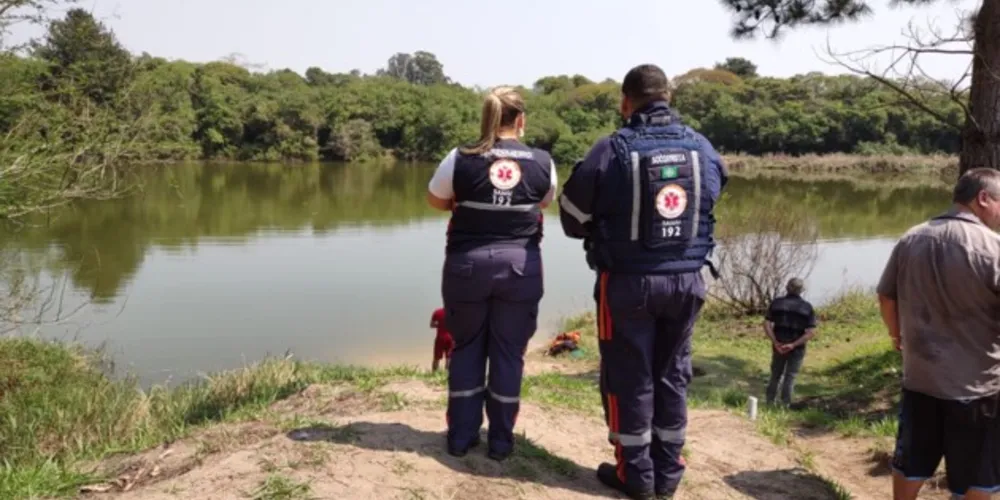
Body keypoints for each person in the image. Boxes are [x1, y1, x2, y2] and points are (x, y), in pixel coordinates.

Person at [558, 64, 728, 500]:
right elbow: (714, 191)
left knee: (628, 377)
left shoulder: (612, 148)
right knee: (673, 373)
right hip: (688, 280)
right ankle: (667, 475)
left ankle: (635, 477)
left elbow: (573, 217)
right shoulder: (701, 146)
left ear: (625, 102)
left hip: (629, 285)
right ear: (668, 97)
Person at [426, 86, 557, 462]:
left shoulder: (459, 157)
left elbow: (435, 199)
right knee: (508, 352)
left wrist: (463, 201)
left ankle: (461, 439)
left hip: (467, 266)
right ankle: (500, 442)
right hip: (520, 269)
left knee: (466, 347)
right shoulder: (542, 161)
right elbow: (543, 202)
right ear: (521, 120)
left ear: (487, 117)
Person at [877, 167, 1000, 500]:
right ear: (983, 198)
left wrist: (896, 334)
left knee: (911, 462)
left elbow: (886, 296)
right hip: (977, 388)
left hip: (921, 378)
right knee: (976, 476)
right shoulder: (993, 248)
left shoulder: (911, 237)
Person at [762, 277, 817, 407]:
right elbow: (811, 332)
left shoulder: (776, 303)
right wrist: (793, 345)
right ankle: (785, 405)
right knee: (790, 376)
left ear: (787, 288)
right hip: (797, 348)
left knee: (775, 375)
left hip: (779, 345)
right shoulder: (807, 307)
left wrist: (775, 341)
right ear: (801, 290)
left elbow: (766, 323)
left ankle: (769, 403)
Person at [430, 307, 454, 372]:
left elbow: (431, 325)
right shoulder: (454, 312)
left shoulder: (437, 312)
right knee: (449, 358)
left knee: (436, 358)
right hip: (450, 338)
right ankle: (447, 374)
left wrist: (439, 324)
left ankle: (434, 374)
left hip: (440, 337)